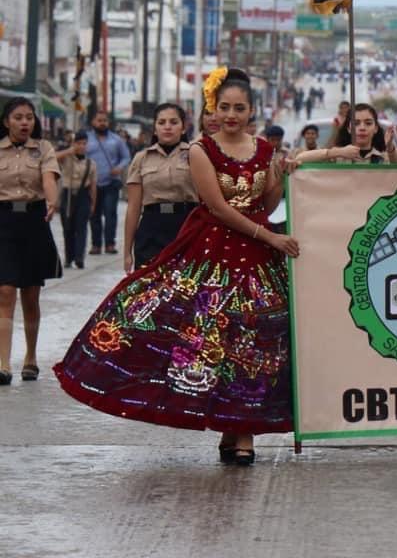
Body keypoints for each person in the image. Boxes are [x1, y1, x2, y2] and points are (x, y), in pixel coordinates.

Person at [55, 67, 300, 465]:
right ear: (214, 110)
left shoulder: (265, 150)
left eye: (240, 108)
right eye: (225, 107)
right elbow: (219, 208)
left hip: (257, 259)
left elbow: (266, 205)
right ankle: (227, 423)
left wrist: (280, 177)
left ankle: (241, 430)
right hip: (214, 252)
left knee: (254, 341)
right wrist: (270, 236)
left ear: (253, 110)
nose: (232, 114)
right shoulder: (201, 149)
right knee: (208, 336)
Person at [0, 98, 62, 385]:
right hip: (3, 223)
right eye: (18, 117)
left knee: (31, 295)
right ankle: (3, 363)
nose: (25, 122)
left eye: (29, 117)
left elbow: (49, 177)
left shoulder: (44, 149)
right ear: (6, 122)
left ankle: (31, 357)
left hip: (36, 221)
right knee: (5, 291)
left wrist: (52, 200)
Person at [122, 103, 198, 272]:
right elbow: (134, 207)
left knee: (184, 290)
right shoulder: (141, 158)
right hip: (151, 229)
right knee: (149, 290)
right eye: (161, 122)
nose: (167, 127)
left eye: (173, 122)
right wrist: (127, 252)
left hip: (186, 227)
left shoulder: (196, 155)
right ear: (155, 129)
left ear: (183, 128)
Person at [85, 111, 130, 255]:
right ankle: (96, 245)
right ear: (93, 122)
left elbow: (126, 157)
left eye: (104, 120)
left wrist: (119, 168)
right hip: (92, 184)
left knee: (110, 214)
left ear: (108, 122)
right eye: (99, 120)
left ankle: (110, 243)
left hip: (111, 183)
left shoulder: (117, 140)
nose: (102, 123)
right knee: (94, 214)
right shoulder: (86, 139)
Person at [294, 103, 397, 165]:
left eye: (368, 123)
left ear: (375, 129)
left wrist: (390, 147)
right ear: (348, 129)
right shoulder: (338, 157)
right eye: (356, 123)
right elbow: (300, 159)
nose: (362, 128)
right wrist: (336, 152)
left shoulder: (383, 158)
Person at [56, 132, 97, 269]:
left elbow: (93, 186)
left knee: (81, 228)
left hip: (83, 196)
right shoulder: (66, 159)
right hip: (67, 195)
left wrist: (93, 203)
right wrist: (69, 150)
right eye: (78, 143)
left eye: (84, 143)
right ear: (74, 144)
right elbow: (52, 158)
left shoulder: (91, 163)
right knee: (68, 228)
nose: (81, 146)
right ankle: (68, 258)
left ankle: (79, 258)